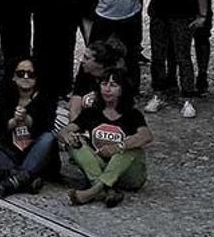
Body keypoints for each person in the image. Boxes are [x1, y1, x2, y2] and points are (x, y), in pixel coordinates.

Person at [61, 69, 153, 207]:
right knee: (76, 144)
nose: (107, 89)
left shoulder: (132, 114)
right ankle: (107, 190)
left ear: (123, 89)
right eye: (104, 84)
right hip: (100, 167)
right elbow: (66, 129)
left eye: (113, 85)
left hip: (127, 175)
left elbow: (146, 136)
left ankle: (94, 191)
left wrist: (118, 147)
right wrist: (67, 136)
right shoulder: (92, 112)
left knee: (130, 149)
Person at [0, 57, 58, 196]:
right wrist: (13, 121)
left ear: (37, 77)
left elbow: (47, 125)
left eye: (31, 74)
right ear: (13, 77)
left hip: (35, 152)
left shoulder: (46, 97)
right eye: (21, 73)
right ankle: (24, 177)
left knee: (48, 138)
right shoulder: (5, 95)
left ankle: (14, 178)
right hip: (10, 151)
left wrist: (27, 119)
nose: (26, 77)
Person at [69, 39, 127, 122]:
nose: (82, 61)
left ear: (100, 64)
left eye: (87, 58)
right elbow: (75, 101)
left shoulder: (116, 81)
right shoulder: (85, 75)